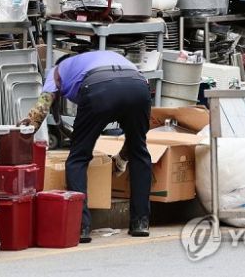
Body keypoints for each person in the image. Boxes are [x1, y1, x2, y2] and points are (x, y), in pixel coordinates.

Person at [19, 50, 152, 243]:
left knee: (78, 158)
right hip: (138, 87)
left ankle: (81, 226)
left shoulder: (57, 70)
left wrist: (24, 132)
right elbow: (133, 140)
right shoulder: (99, 58)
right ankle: (141, 222)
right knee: (139, 151)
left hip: (99, 88)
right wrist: (123, 158)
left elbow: (43, 105)